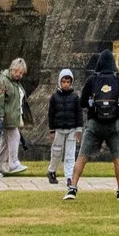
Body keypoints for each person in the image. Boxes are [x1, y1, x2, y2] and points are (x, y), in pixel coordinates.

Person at [80, 48, 119, 201]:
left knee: (82, 156)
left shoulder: (92, 79)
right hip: (114, 124)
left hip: (94, 123)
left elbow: (82, 102)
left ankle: (73, 188)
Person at [46, 67, 85, 196]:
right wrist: (52, 130)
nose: (66, 84)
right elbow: (51, 114)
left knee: (70, 154)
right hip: (58, 128)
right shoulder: (54, 97)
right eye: (64, 82)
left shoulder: (75, 97)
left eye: (68, 82)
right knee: (56, 152)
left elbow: (79, 114)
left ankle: (69, 176)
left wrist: (79, 129)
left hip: (72, 129)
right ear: (60, 82)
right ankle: (52, 170)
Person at [0, 59, 29, 175]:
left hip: (14, 115)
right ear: (12, 69)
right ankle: (13, 162)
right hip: (7, 116)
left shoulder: (15, 82)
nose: (20, 75)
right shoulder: (3, 80)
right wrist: (1, 114)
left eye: (22, 74)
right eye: (18, 72)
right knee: (15, 136)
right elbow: (0, 99)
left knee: (5, 142)